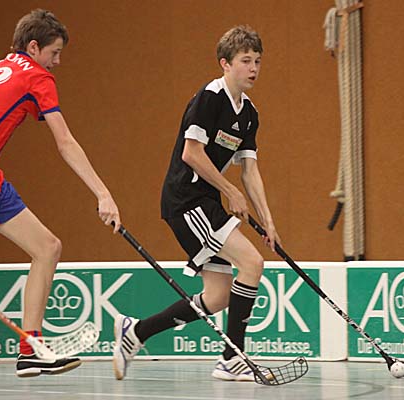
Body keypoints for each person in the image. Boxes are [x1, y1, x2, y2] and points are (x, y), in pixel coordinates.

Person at [0, 9, 121, 378]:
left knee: (48, 248)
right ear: (33, 47)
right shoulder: (36, 76)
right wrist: (103, 193)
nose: (57, 62)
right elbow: (65, 141)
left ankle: (31, 350)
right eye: (54, 52)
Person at [113, 25, 279, 382]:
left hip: (206, 200)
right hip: (186, 199)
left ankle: (136, 332)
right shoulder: (209, 98)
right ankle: (233, 358)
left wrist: (268, 219)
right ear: (225, 64)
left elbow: (250, 171)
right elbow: (191, 154)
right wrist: (229, 190)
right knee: (251, 263)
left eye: (257, 61)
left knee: (217, 297)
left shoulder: (249, 114)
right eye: (245, 60)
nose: (253, 68)